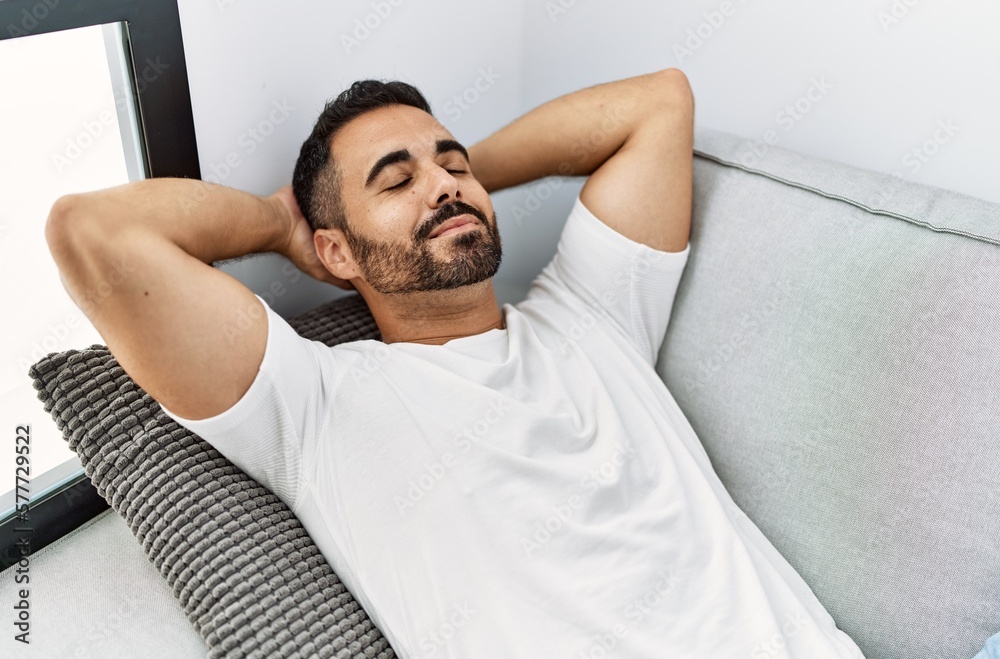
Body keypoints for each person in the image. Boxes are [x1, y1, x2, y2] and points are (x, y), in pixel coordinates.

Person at [46, 69, 865, 657]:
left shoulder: (593, 312)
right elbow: (92, 234)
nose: (443, 185)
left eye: (453, 163)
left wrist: (453, 182)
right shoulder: (318, 408)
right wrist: (276, 222)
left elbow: (658, 102)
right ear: (334, 248)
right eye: (395, 180)